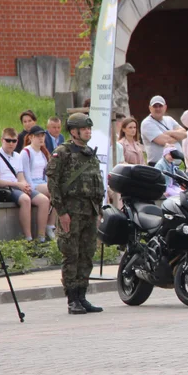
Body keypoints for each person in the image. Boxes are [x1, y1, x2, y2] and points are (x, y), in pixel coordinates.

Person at [47, 113, 105, 315]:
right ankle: (72, 299)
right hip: (71, 212)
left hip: (89, 212)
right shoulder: (62, 152)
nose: (88, 131)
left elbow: (97, 182)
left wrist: (99, 211)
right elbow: (53, 184)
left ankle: (82, 295)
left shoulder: (89, 153)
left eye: (89, 128)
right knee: (71, 255)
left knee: (87, 254)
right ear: (74, 131)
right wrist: (61, 212)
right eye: (84, 128)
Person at [0, 128, 50, 241]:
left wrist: (24, 185)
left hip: (18, 186)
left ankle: (41, 237)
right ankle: (28, 237)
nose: (11, 144)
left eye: (14, 141)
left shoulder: (17, 156)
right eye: (8, 140)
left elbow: (21, 176)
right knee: (25, 200)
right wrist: (18, 185)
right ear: (2, 140)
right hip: (5, 188)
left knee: (44, 200)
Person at [21, 125, 56, 239]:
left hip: (42, 182)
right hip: (32, 184)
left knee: (59, 192)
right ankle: (41, 236)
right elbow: (26, 174)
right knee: (55, 191)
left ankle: (50, 225)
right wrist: (32, 188)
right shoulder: (26, 152)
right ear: (31, 137)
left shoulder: (43, 153)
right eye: (37, 136)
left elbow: (45, 174)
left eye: (42, 136)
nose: (41, 138)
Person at [141, 95, 187, 164]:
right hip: (158, 165)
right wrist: (178, 136)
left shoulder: (169, 119)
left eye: (160, 106)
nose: (158, 109)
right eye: (155, 106)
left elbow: (184, 133)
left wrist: (169, 133)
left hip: (175, 166)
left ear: (165, 107)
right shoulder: (147, 123)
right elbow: (164, 140)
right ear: (150, 108)